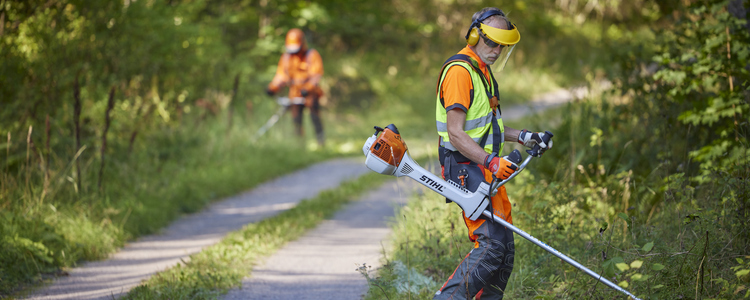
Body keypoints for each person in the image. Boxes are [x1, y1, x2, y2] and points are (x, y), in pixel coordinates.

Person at [434, 7, 553, 299]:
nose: (497, 50)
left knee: (504, 251)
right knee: (490, 247)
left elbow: (490, 128)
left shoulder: (483, 73)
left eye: (502, 45)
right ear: (475, 36)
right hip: (465, 166)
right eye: (491, 42)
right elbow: (456, 132)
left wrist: (525, 137)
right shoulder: (460, 72)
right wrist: (491, 160)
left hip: (485, 167)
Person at [266, 28, 325, 146]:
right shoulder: (286, 57)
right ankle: (299, 145)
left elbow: (316, 76)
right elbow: (281, 76)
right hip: (295, 93)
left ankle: (320, 142)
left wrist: (307, 89)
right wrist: (272, 88)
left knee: (315, 116)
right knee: (296, 119)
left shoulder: (311, 55)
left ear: (302, 44)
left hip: (310, 93)